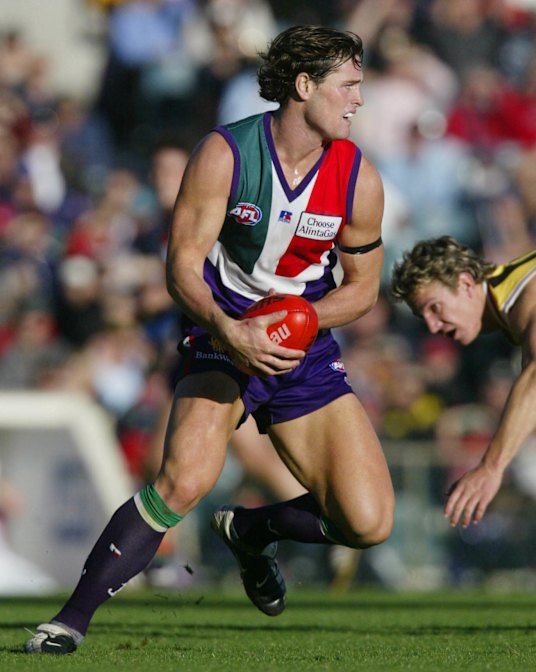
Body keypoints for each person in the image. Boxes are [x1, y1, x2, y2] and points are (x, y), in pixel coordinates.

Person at [25, 25, 394, 654]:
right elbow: (182, 266)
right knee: (183, 479)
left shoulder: (359, 177)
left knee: (368, 521)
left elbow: (362, 288)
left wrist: (302, 322)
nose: (360, 99)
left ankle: (251, 532)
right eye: (349, 85)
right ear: (304, 87)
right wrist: (232, 327)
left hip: (300, 346)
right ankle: (66, 623)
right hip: (222, 332)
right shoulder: (226, 154)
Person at [389, 235, 536, 530]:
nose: (431, 326)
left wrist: (491, 467)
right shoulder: (510, 299)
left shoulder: (525, 296)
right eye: (422, 316)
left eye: (435, 308)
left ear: (466, 284)